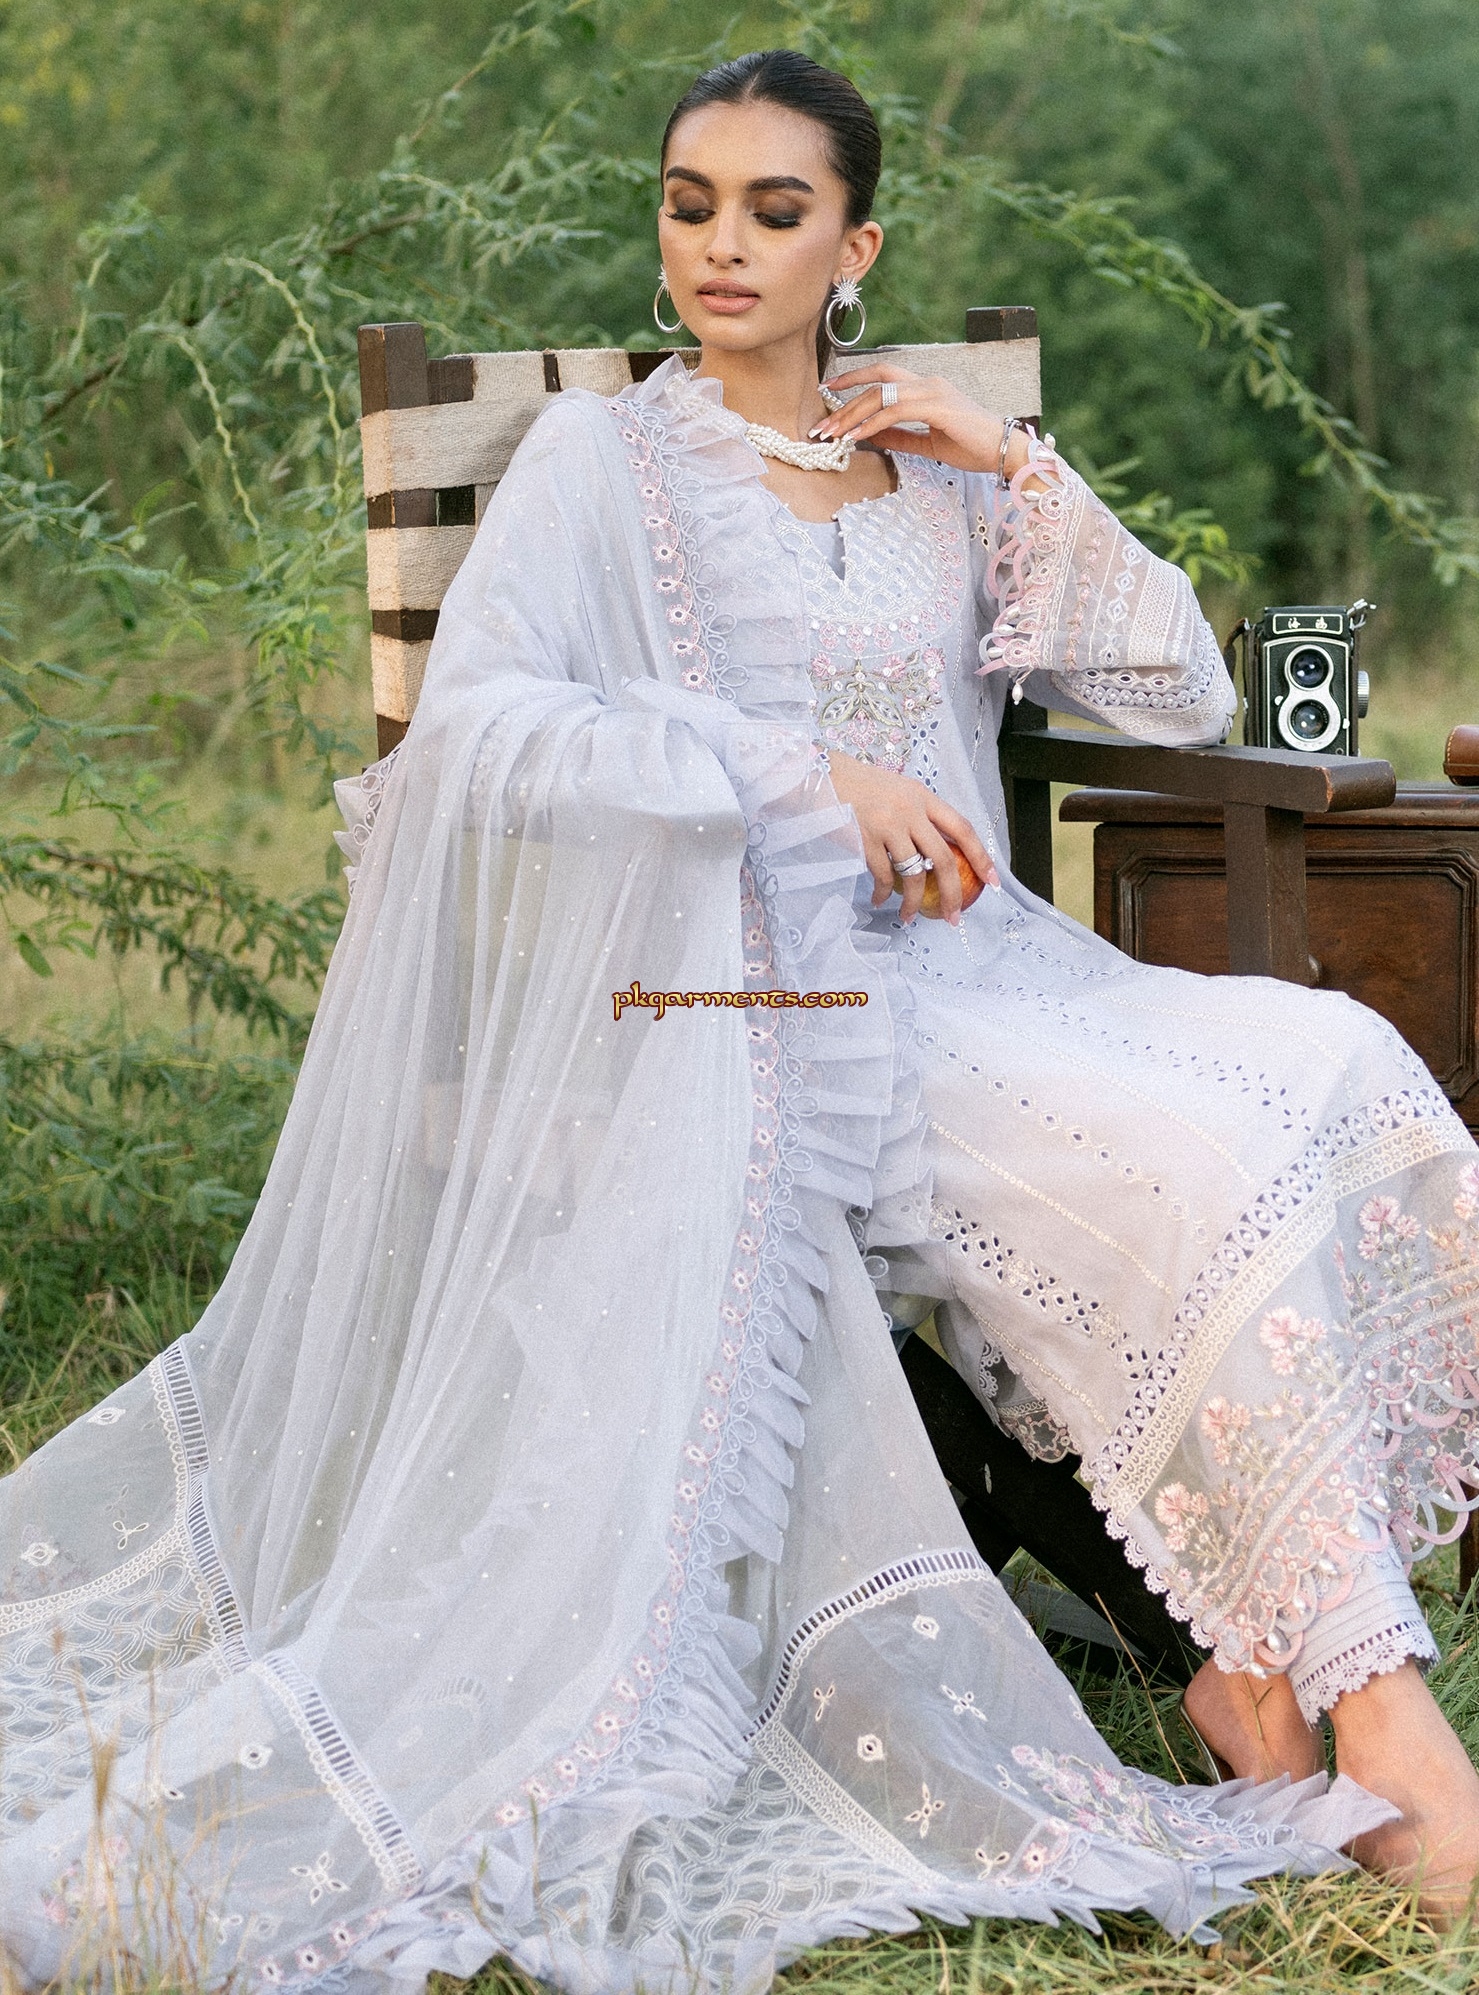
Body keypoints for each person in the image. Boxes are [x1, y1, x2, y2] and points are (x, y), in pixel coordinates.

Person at [3, 46, 1479, 1995]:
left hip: (996, 972)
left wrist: (1012, 464)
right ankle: (1367, 1706)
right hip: (754, 998)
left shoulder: (930, 475)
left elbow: (1180, 693)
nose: (722, 244)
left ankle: (1263, 1663)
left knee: (1335, 1065)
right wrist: (797, 781)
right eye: (691, 203)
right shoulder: (599, 471)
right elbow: (486, 735)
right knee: (1182, 1153)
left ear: (852, 248)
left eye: (776, 211)